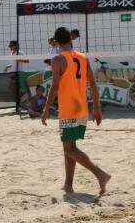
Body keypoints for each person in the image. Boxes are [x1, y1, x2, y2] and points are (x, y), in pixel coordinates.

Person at [41, 27, 110, 194]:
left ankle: (100, 174)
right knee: (70, 147)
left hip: (69, 108)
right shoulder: (82, 57)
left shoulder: (57, 59)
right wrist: (97, 108)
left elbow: (55, 86)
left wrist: (45, 109)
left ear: (56, 42)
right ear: (71, 39)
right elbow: (93, 84)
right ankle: (68, 185)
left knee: (69, 149)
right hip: (82, 107)